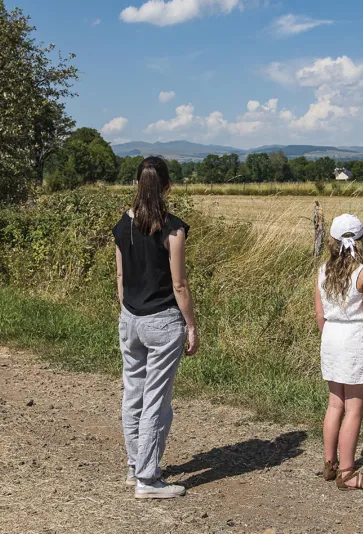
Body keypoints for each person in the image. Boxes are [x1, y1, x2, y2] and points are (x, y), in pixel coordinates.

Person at [113, 156, 198, 499]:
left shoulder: (122, 225)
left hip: (130, 318)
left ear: (137, 184)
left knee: (133, 393)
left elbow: (120, 277)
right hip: (163, 322)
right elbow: (179, 285)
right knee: (156, 401)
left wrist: (128, 311)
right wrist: (191, 325)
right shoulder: (173, 228)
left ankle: (135, 466)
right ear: (167, 187)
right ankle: (148, 479)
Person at [315, 214, 363, 491]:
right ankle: (347, 472)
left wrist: (328, 339)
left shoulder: (323, 271)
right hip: (354, 338)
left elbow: (320, 314)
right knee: (354, 409)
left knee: (335, 404)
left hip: (331, 336)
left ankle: (330, 463)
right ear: (361, 239)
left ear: (332, 240)